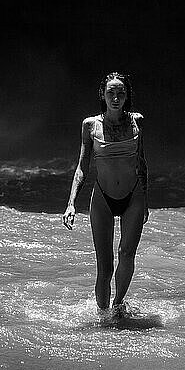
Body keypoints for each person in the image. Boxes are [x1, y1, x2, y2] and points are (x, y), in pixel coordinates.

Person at [62, 72, 149, 316]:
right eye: (111, 92)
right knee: (105, 266)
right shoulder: (90, 125)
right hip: (103, 198)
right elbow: (82, 167)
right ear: (102, 95)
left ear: (127, 96)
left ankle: (118, 305)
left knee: (127, 256)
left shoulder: (137, 121)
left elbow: (141, 163)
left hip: (133, 196)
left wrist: (146, 202)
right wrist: (71, 204)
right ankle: (102, 317)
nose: (116, 97)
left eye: (121, 92)